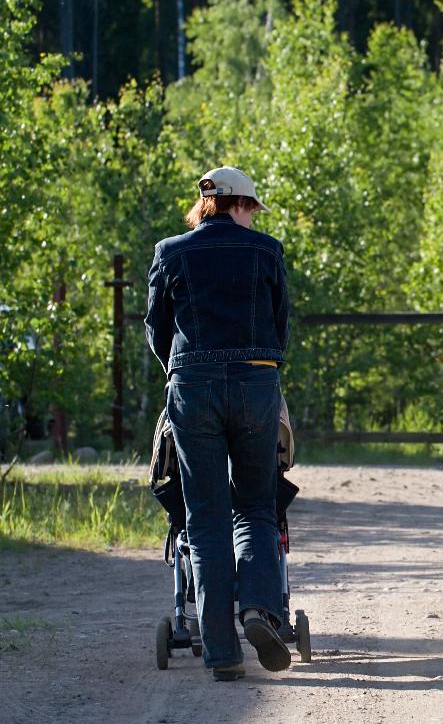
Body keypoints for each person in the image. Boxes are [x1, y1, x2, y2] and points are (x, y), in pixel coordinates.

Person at [145, 166, 292, 682]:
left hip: (193, 385)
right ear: (241, 205)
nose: (254, 217)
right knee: (254, 506)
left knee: (206, 519)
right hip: (256, 383)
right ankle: (256, 608)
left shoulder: (170, 252)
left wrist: (182, 372)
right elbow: (281, 326)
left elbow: (157, 329)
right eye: (253, 208)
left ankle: (223, 654)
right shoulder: (267, 251)